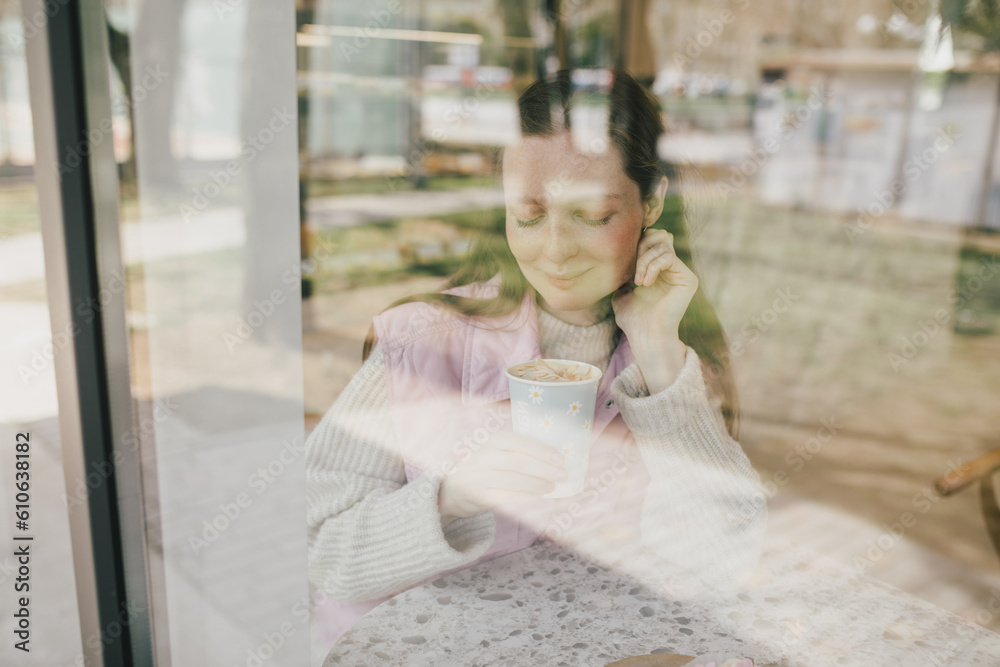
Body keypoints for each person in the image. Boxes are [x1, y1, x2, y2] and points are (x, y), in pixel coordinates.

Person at [305, 70, 767, 646]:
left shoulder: (671, 360)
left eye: (592, 215)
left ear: (651, 203)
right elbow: (325, 555)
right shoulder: (419, 342)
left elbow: (721, 564)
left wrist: (656, 352)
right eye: (527, 215)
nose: (555, 251)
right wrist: (449, 499)